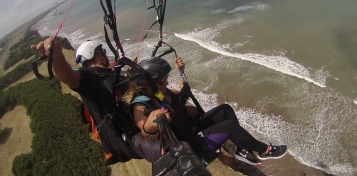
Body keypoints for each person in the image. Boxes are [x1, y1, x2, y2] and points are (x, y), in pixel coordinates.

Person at [123, 56, 288, 165]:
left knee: (225, 109)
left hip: (191, 128)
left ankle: (242, 150)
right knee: (229, 126)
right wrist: (154, 120)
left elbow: (182, 92)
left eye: (165, 80)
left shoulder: (162, 92)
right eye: (161, 82)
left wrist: (182, 71)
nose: (165, 84)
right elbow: (144, 128)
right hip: (190, 144)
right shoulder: (140, 105)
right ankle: (264, 150)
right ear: (145, 87)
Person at [31, 36, 167, 164]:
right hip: (128, 136)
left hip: (143, 116)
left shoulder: (111, 73)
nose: (103, 53)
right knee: (170, 150)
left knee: (181, 113)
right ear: (91, 54)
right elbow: (69, 77)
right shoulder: (89, 77)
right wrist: (57, 56)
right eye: (100, 51)